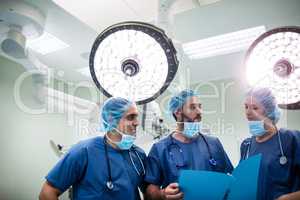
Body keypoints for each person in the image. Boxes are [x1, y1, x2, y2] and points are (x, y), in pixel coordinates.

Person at [39, 97, 147, 200]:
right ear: (111, 120)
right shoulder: (84, 151)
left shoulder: (138, 155)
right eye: (130, 117)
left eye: (136, 117)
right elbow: (48, 192)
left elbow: (149, 192)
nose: (137, 123)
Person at [145, 89, 233, 200]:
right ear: (177, 112)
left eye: (200, 106)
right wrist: (162, 194)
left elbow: (229, 177)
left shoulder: (213, 143)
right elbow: (149, 191)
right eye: (192, 107)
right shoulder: (160, 149)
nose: (199, 112)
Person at [240, 87, 300, 200]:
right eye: (246, 107)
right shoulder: (246, 145)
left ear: (269, 111)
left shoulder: (290, 139)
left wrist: (288, 198)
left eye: (255, 108)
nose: (248, 112)